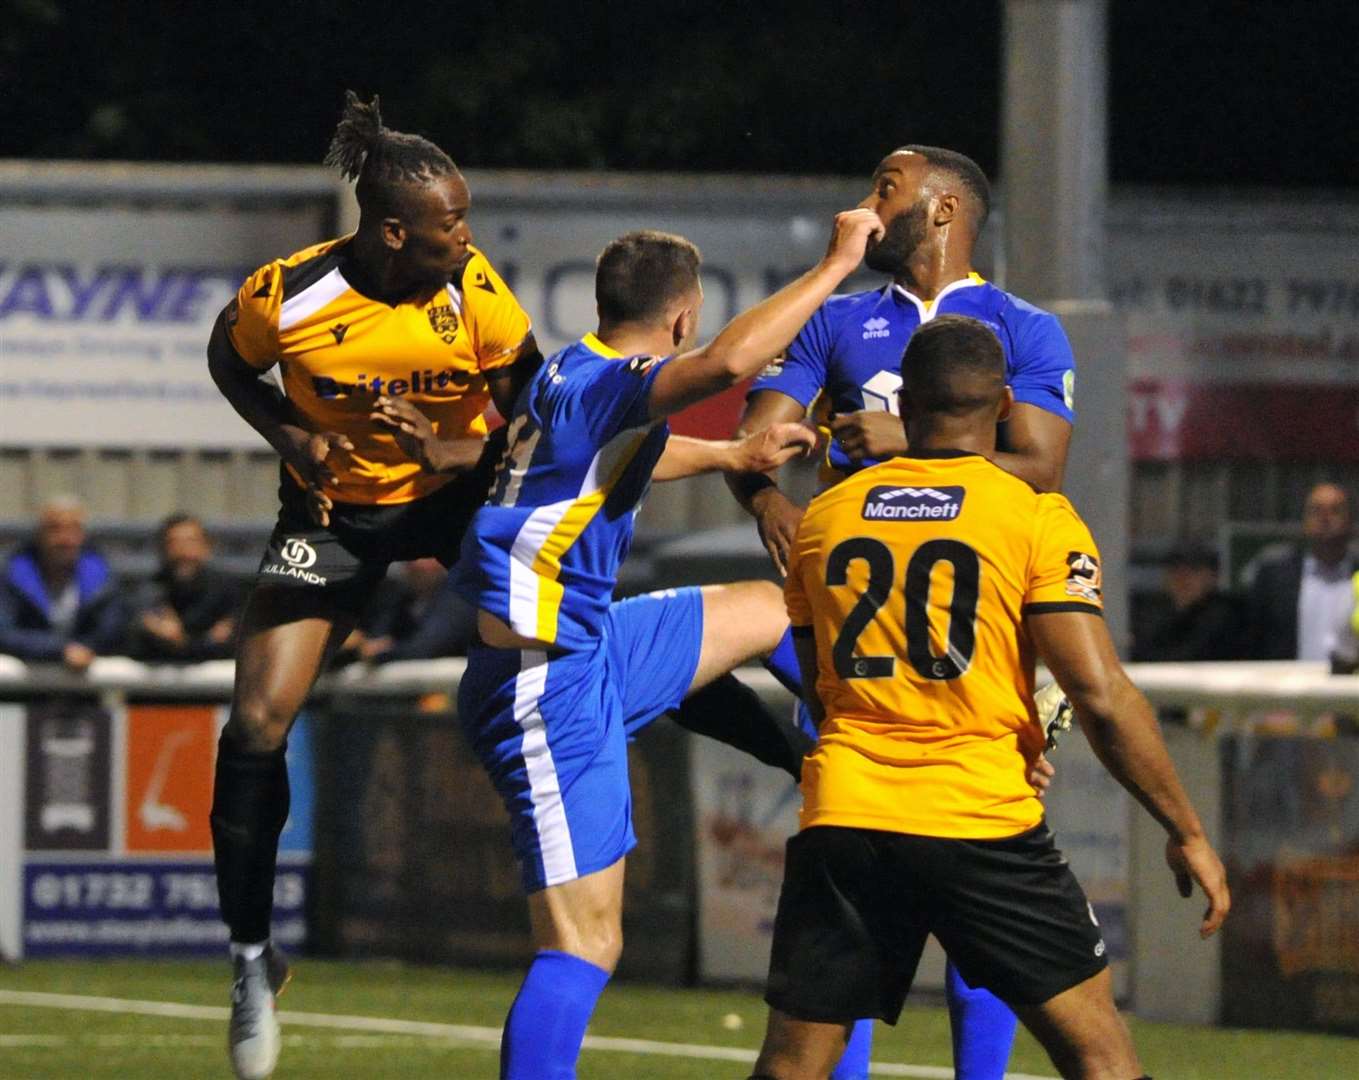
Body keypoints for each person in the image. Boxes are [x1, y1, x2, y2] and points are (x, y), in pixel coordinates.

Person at [452, 211, 884, 1079]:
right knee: (585, 942)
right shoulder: (614, 383)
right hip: (543, 682)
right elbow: (728, 364)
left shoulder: (578, 370)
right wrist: (838, 262)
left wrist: (733, 454)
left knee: (766, 608)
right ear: (683, 316)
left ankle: (861, 738)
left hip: (591, 644)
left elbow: (629, 450)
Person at [747, 315, 1230, 1080]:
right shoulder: (1034, 516)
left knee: (791, 1067)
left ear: (903, 407)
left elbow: (820, 685)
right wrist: (1186, 829)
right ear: (1004, 404)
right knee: (1101, 1059)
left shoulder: (827, 520)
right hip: (978, 817)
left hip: (849, 811)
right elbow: (1098, 695)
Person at [204, 91, 547, 1080]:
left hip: (457, 497)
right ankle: (248, 958)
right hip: (339, 518)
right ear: (395, 231)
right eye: (453, 225)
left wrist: (454, 444)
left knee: (587, 626)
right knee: (258, 723)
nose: (469, 239)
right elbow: (228, 364)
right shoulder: (288, 295)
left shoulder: (473, 291)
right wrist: (289, 433)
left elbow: (534, 421)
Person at [728, 145, 1077, 1079]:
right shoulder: (836, 322)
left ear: (944, 206)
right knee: (853, 888)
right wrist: (767, 502)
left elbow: (1042, 469)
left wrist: (899, 437)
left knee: (980, 888)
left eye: (885, 189)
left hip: (978, 638)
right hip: (861, 638)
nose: (865, 207)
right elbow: (758, 442)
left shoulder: (1022, 326)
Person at [0, 495, 125, 669]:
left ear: (83, 535)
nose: (65, 539)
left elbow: (111, 630)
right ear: (39, 534)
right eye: (55, 529)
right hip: (31, 669)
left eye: (73, 529)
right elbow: (5, 633)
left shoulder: (102, 575)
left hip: (87, 670)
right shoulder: (13, 574)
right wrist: (61, 649)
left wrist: (85, 649)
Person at [1246, 482, 1356, 662]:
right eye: (1316, 510)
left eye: (1335, 510)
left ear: (1351, 521)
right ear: (1305, 521)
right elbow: (1254, 642)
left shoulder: (1356, 575)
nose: (1325, 518)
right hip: (1289, 686)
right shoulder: (1274, 578)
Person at [129, 514, 244, 662]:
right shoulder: (150, 591)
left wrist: (181, 643)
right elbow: (137, 645)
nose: (183, 551)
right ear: (162, 549)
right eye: (173, 543)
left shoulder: (228, 591)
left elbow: (229, 643)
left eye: (191, 542)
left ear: (206, 547)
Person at [1132, 542, 1246, 663]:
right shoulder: (1153, 615)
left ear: (1212, 577)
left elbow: (1191, 656)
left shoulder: (1227, 616)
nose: (1182, 577)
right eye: (1174, 568)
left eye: (1194, 569)